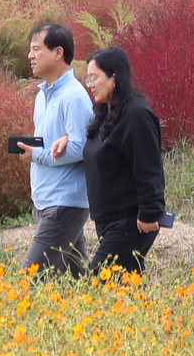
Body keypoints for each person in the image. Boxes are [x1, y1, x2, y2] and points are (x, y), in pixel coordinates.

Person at [14, 22, 93, 278]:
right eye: (30, 50)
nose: (30, 56)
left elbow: (81, 147)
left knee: (31, 278)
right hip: (49, 202)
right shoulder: (42, 96)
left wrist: (36, 155)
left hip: (64, 204)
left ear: (58, 53)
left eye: (37, 49)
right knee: (78, 282)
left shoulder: (73, 96)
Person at [81, 46, 166, 275]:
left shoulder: (136, 116)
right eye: (87, 79)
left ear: (114, 78)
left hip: (130, 222)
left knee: (97, 285)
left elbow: (149, 168)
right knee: (124, 292)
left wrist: (149, 212)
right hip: (107, 222)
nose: (90, 85)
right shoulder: (105, 114)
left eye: (94, 78)